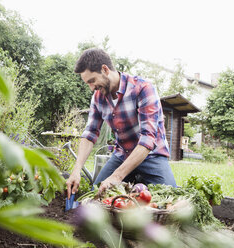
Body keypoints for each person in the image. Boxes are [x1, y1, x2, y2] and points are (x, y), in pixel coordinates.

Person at [66, 48, 176, 199]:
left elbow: (147, 139)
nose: (92, 88)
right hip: (122, 154)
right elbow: (90, 133)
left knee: (170, 199)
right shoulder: (98, 98)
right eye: (88, 84)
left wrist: (116, 177)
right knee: (96, 195)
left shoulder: (143, 88)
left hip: (152, 156)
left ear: (105, 69)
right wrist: (77, 169)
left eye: (92, 81)